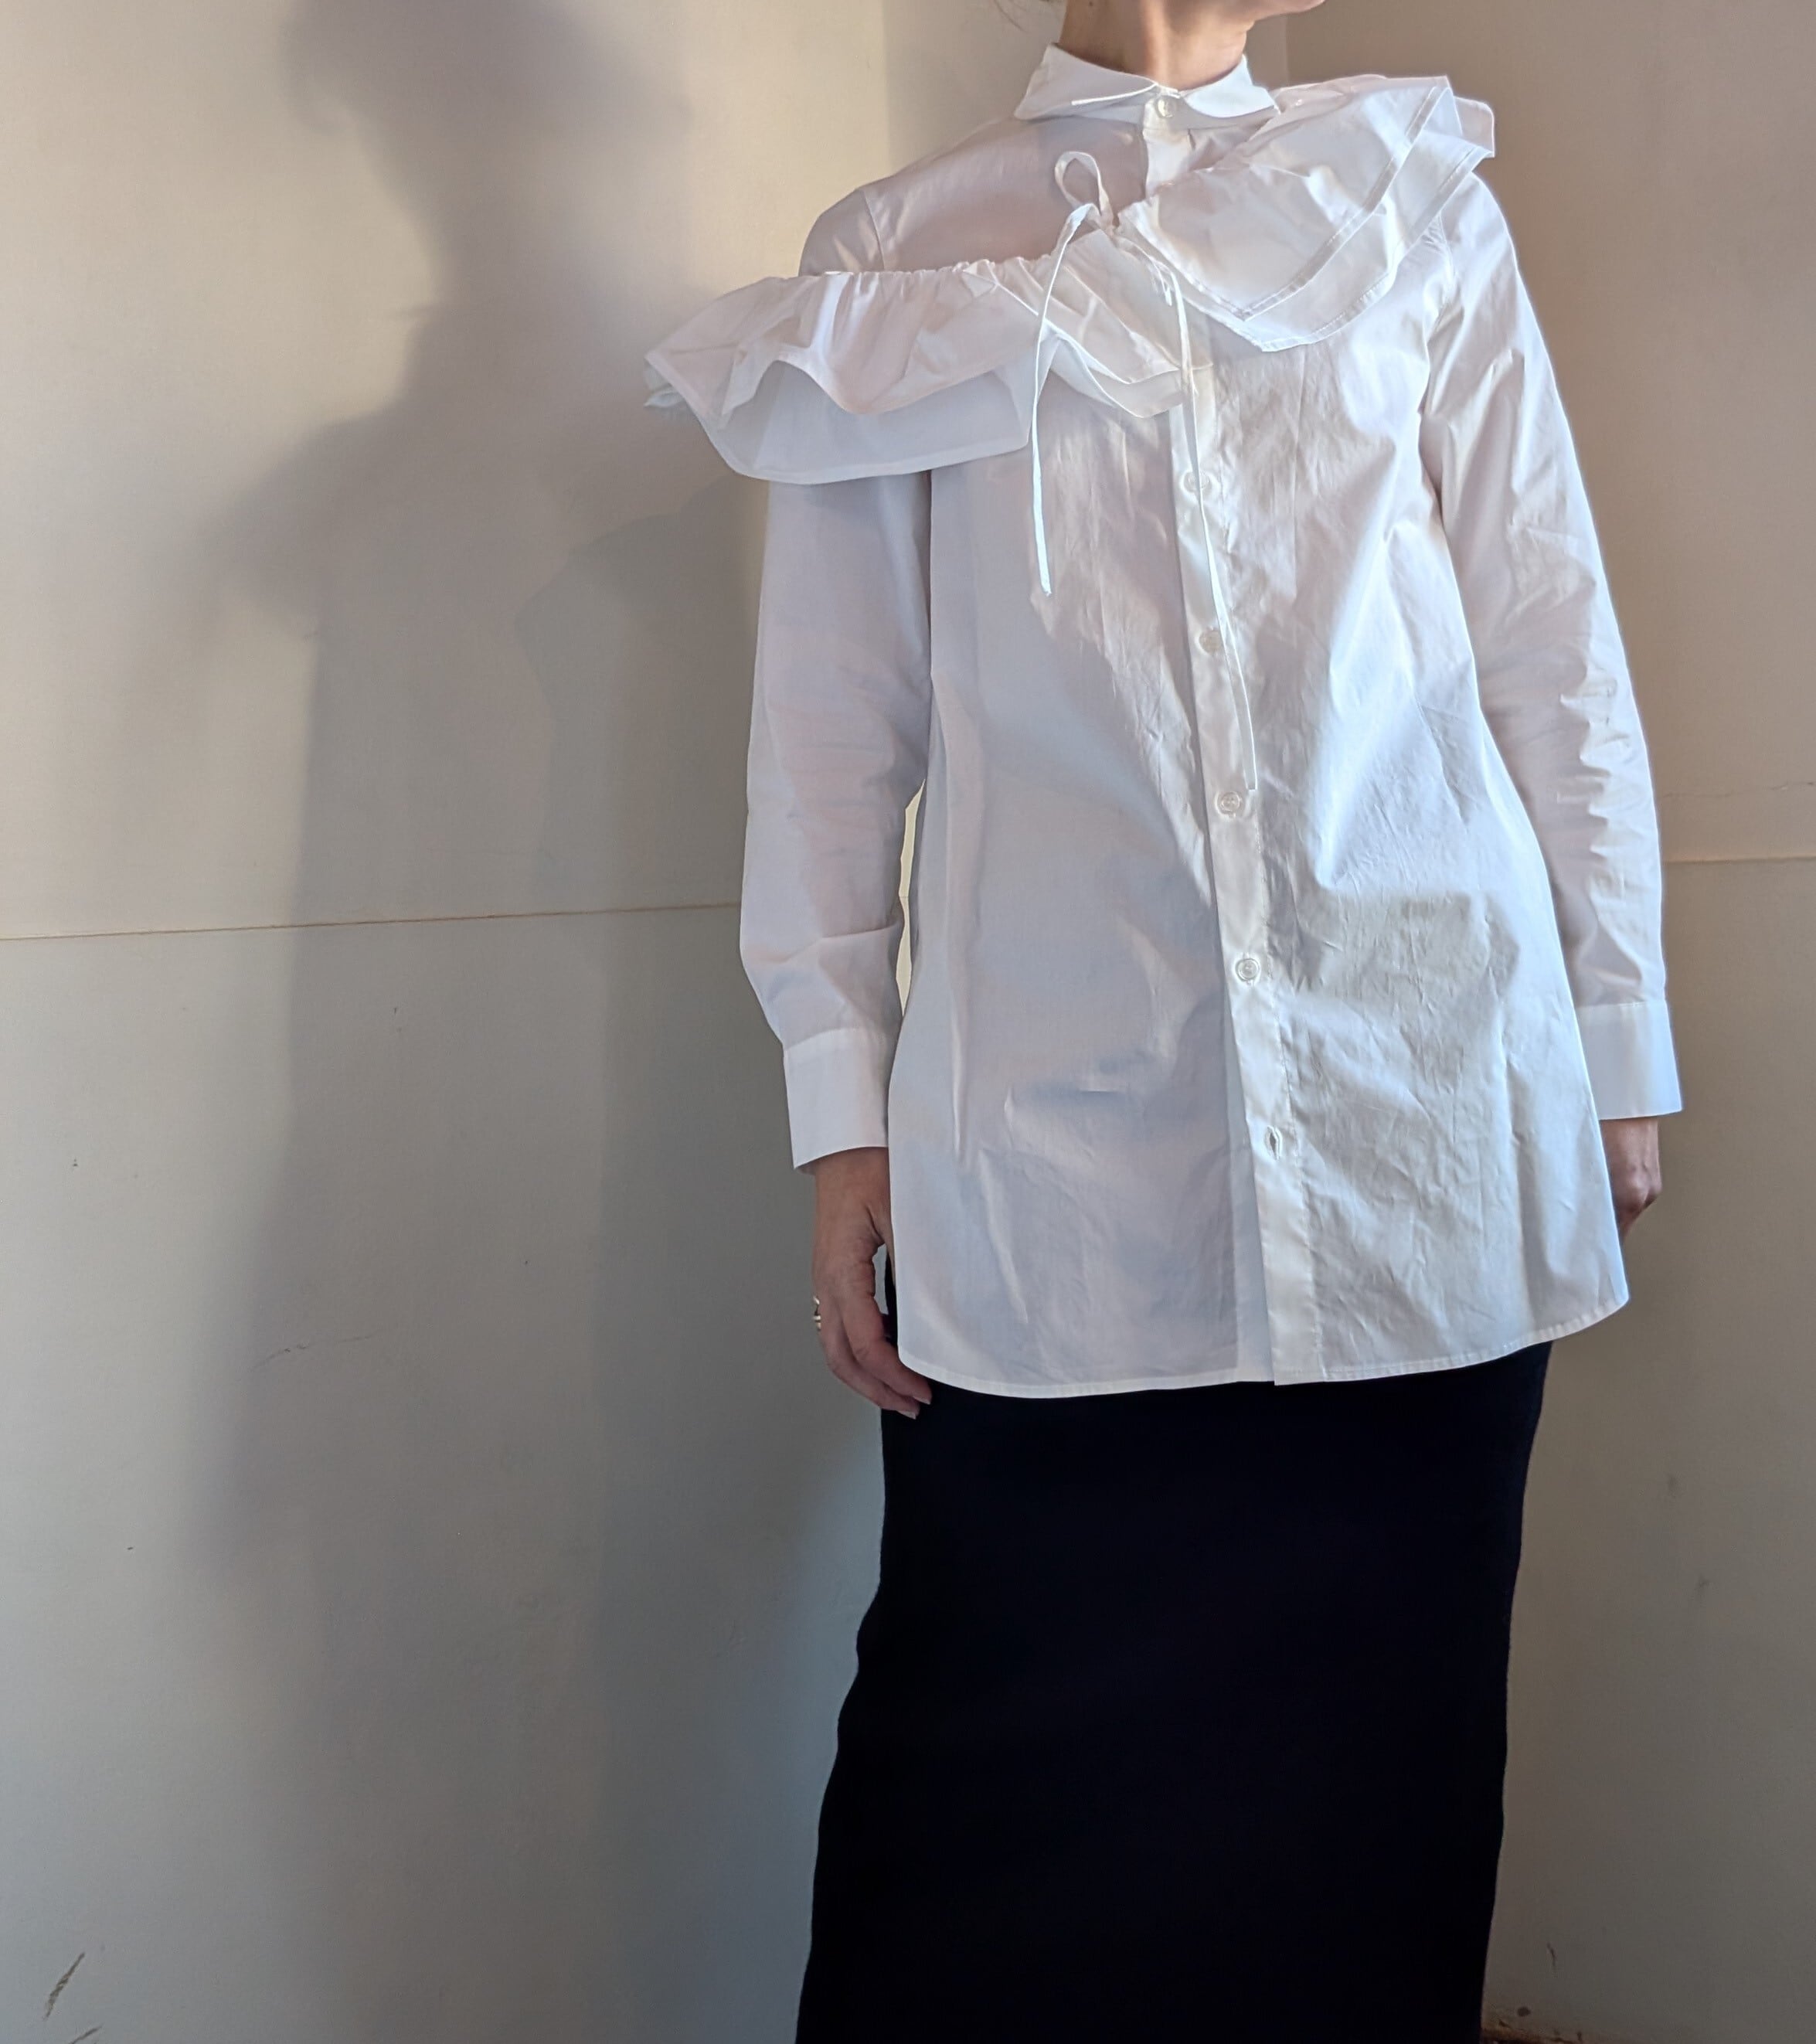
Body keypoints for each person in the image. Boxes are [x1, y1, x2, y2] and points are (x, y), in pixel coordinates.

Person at [647, 0, 1682, 2035]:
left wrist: (1617, 1034)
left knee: (1377, 1819)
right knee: (974, 1824)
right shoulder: (896, 263)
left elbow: (1545, 628)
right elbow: (835, 740)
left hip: (1420, 1136)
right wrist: (841, 1117)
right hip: (1060, 1195)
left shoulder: (1410, 204)